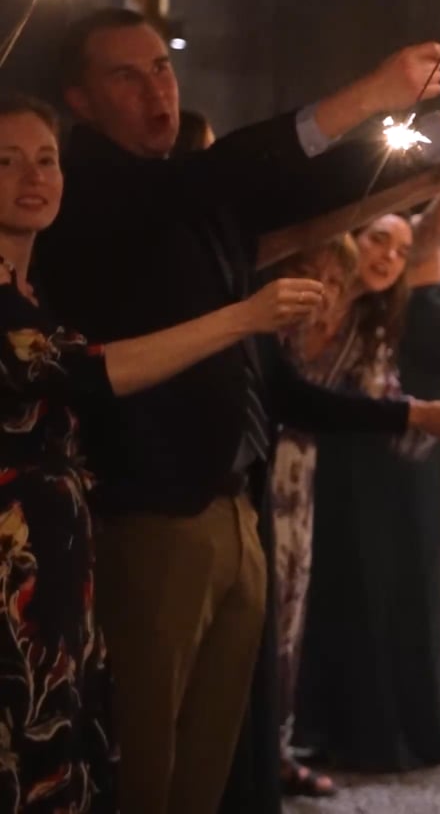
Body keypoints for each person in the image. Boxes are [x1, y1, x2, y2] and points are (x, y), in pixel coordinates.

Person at [34, 6, 440, 814]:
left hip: (234, 503)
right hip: (148, 515)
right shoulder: (94, 191)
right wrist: (373, 93)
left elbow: (311, 194)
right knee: (144, 760)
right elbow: (241, 171)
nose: (157, 89)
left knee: (213, 756)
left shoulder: (187, 200)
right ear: (79, 101)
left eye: (163, 67)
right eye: (127, 74)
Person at [0, 95, 326, 811]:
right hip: (10, 563)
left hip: (59, 554)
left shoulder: (38, 283)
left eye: (46, 158)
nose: (34, 174)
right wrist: (243, 316)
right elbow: (84, 372)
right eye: (7, 160)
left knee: (74, 742)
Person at [290, 212, 440, 774]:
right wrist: (419, 415)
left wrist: (434, 418)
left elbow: (380, 396)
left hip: (338, 470)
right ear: (346, 238)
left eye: (402, 250)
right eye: (378, 239)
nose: (387, 256)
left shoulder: (376, 317)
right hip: (282, 475)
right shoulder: (299, 303)